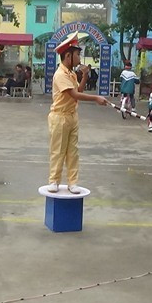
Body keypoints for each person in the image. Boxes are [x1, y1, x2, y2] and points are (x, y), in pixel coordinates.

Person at [46, 32, 108, 194]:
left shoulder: (71, 73)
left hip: (72, 116)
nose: (80, 58)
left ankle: (72, 182)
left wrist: (85, 76)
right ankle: (54, 180)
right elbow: (74, 95)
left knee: (73, 151)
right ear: (68, 56)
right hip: (59, 117)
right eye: (77, 54)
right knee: (58, 151)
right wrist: (95, 98)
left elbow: (78, 90)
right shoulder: (60, 75)